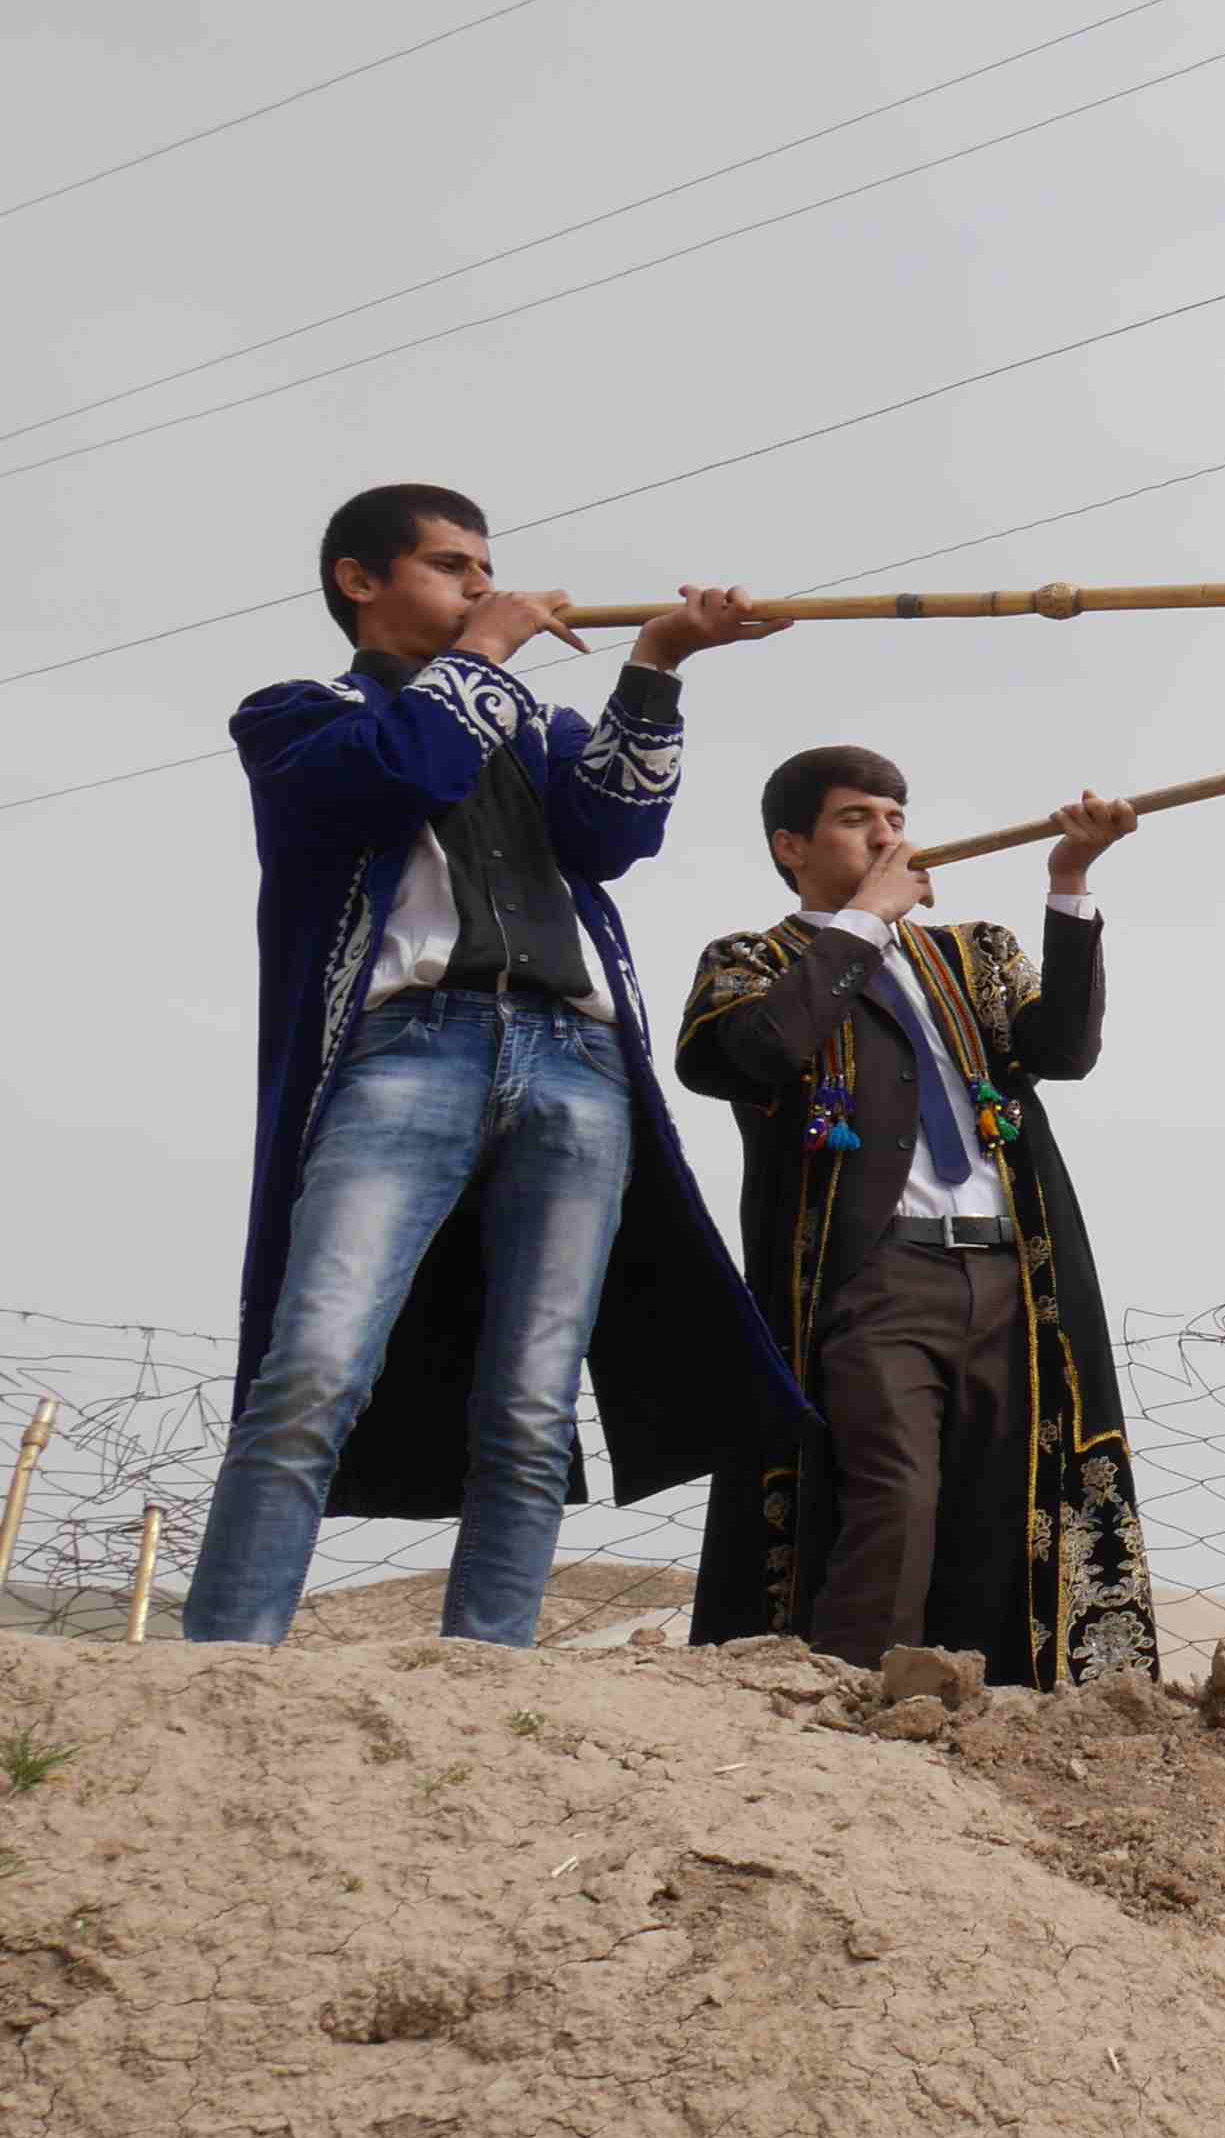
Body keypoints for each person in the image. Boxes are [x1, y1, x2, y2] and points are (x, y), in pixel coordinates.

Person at [184, 485, 798, 1648]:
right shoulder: (294, 714)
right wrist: (489, 648)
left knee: (529, 1403)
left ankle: (489, 1673)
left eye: (485, 570)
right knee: (311, 1367)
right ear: (360, 582)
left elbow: (618, 829)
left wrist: (659, 661)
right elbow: (399, 768)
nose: (480, 585)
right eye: (451, 566)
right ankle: (225, 1663)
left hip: (575, 1062)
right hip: (403, 1053)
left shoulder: (527, 725)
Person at [675, 745, 1156, 1681]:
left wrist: (1070, 878)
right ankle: (851, 1697)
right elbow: (759, 1052)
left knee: (1002, 1491)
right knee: (894, 1493)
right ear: (791, 845)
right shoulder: (752, 960)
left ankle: (981, 1711)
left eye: (897, 818)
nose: (888, 835)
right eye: (858, 819)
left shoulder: (972, 953)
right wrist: (859, 926)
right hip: (877, 1280)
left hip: (1008, 1268)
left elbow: (1063, 1050)